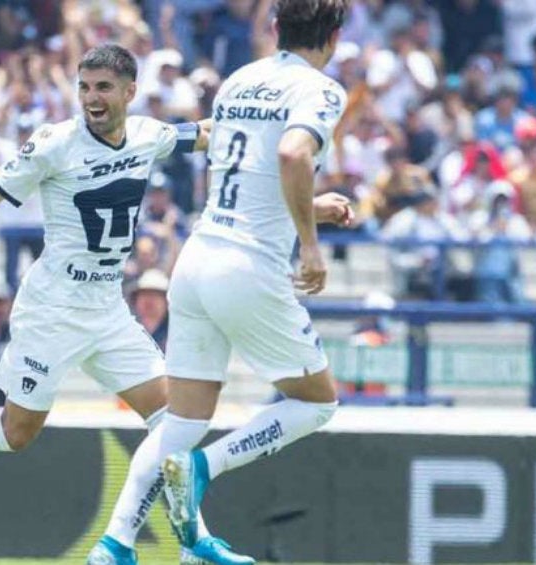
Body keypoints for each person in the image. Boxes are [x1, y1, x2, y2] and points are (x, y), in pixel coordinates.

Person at [0, 43, 352, 565]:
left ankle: (191, 543)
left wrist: (302, 198)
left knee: (172, 424)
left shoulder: (150, 136)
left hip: (108, 309)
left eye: (103, 87)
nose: (92, 98)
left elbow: (215, 139)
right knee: (14, 433)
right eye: (84, 87)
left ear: (130, 92)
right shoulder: (54, 144)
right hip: (52, 310)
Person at [102, 2, 353, 564]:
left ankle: (114, 543)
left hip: (197, 258)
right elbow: (291, 153)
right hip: (249, 266)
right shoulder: (321, 90)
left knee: (182, 420)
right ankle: (204, 469)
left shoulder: (240, 80)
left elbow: (247, 176)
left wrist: (311, 209)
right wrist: (309, 247)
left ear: (273, 27)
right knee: (316, 403)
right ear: (334, 37)